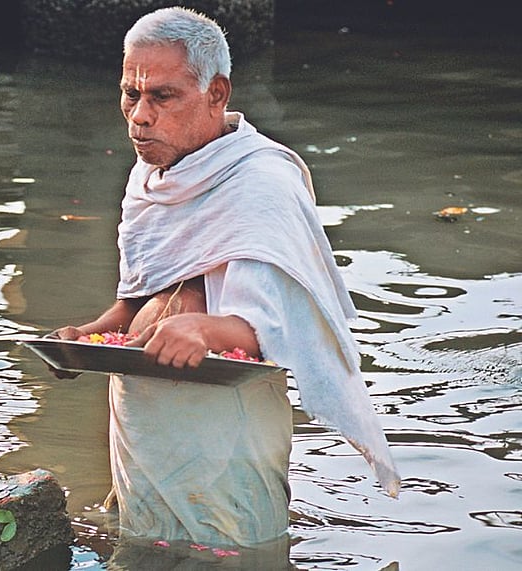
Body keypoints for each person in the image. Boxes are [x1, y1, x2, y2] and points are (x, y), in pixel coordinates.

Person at [50, 6, 400, 546]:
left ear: (216, 93)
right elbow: (137, 301)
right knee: (142, 545)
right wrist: (84, 338)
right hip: (143, 417)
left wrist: (208, 331)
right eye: (130, 94)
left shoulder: (262, 182)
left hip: (223, 431)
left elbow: (282, 330)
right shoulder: (149, 178)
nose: (140, 116)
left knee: (235, 551)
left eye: (162, 97)